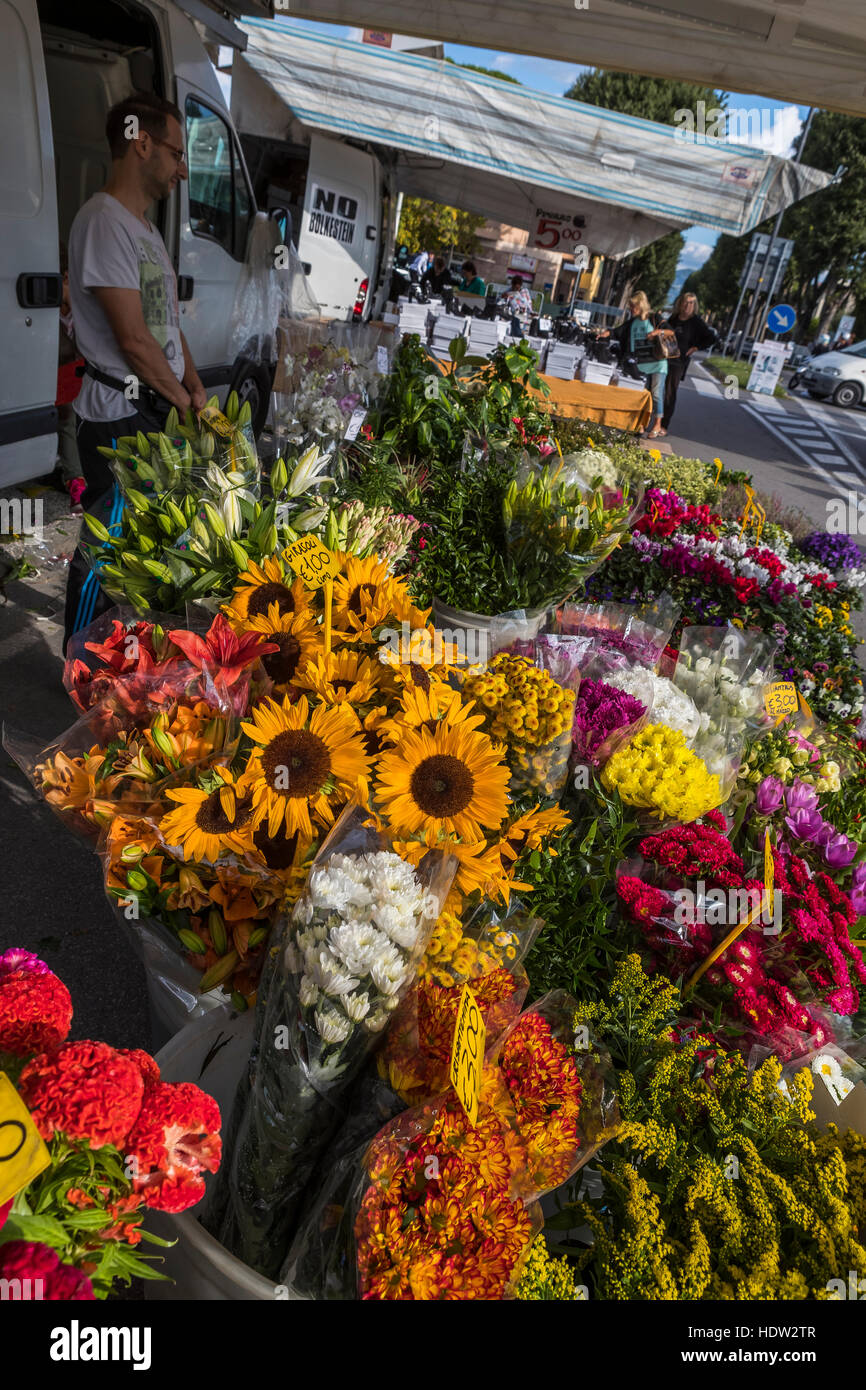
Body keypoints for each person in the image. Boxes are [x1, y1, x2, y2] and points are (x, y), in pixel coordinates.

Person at [64, 91, 206, 650]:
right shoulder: (103, 221)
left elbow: (165, 326)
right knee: (105, 543)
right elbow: (132, 340)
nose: (182, 168)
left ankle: (112, 659)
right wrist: (182, 398)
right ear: (141, 142)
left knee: (136, 549)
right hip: (120, 412)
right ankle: (76, 660)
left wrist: (193, 383)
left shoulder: (143, 230)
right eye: (175, 152)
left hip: (152, 406)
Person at [602, 291, 668, 437]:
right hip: (639, 364)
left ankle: (657, 424)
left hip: (657, 363)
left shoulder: (654, 318)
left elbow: (670, 331)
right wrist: (605, 334)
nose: (631, 309)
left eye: (634, 306)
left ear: (641, 305)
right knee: (639, 394)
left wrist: (657, 332)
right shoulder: (632, 322)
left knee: (656, 394)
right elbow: (618, 332)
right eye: (631, 306)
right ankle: (640, 425)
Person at [56, 244, 86, 514]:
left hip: (79, 380)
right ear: (66, 278)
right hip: (59, 385)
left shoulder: (83, 312)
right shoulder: (48, 313)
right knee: (67, 418)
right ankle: (76, 482)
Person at [660, 290, 717, 431]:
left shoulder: (696, 322)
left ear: (694, 305)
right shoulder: (673, 318)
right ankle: (652, 421)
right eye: (686, 302)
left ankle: (663, 425)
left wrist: (696, 347)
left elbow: (711, 338)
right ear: (681, 303)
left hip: (679, 362)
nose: (688, 305)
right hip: (664, 358)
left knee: (669, 393)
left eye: (691, 303)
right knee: (657, 390)